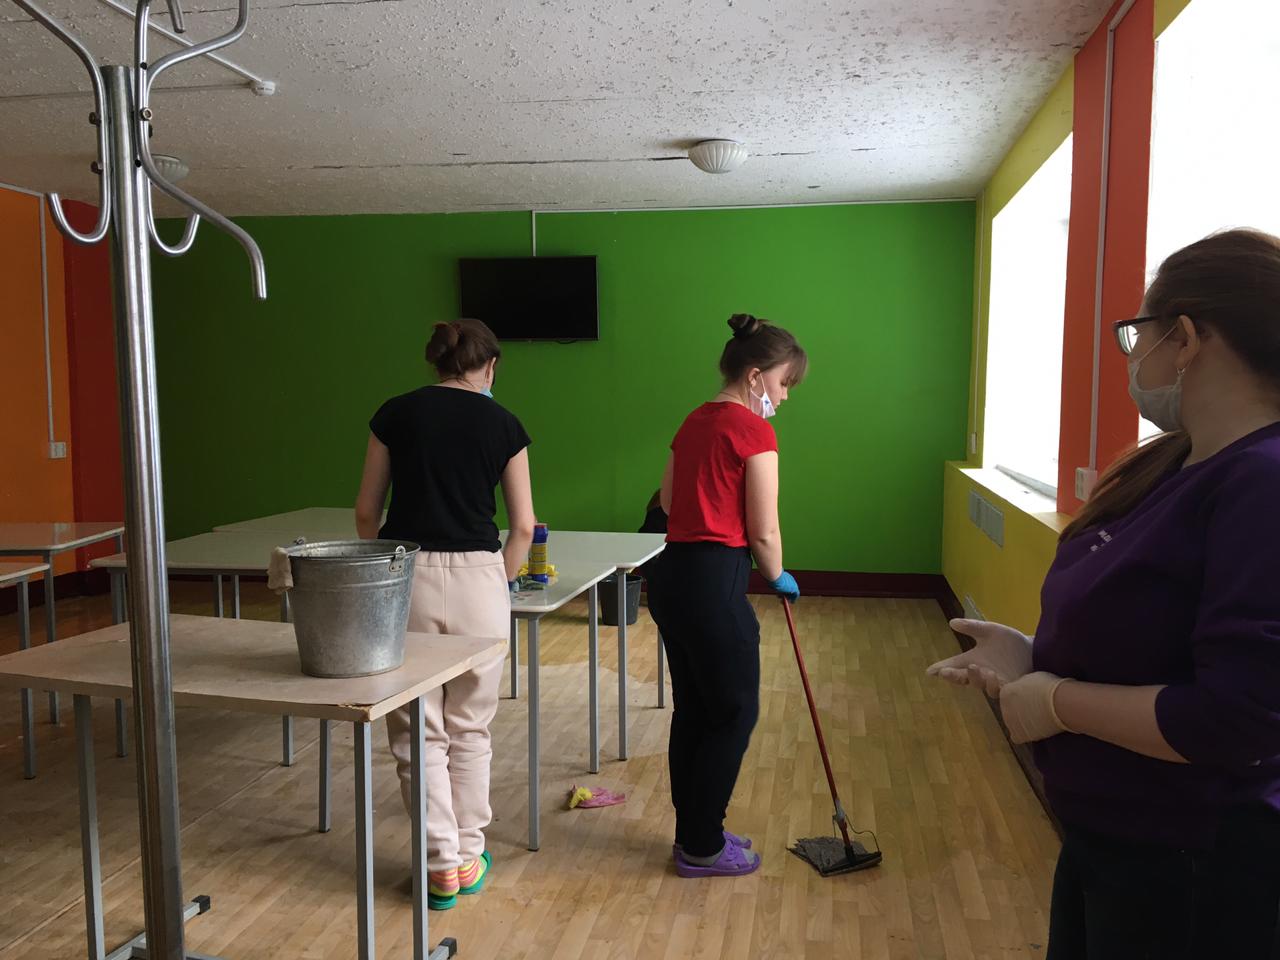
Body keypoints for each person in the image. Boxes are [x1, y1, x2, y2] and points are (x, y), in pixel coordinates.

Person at [927, 229, 1280, 958]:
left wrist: (1058, 701)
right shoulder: (1175, 465)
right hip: (1109, 838)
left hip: (1193, 863)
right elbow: (1154, 632)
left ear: (1184, 339)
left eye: (1137, 333)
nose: (1132, 353)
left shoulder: (1263, 481)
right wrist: (1033, 655)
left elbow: (1235, 719)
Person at [354, 318, 535, 911]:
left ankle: (439, 866)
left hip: (404, 574)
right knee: (470, 727)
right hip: (480, 577)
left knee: (417, 730)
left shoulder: (395, 413)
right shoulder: (504, 423)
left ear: (435, 362)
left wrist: (385, 572)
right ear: (491, 366)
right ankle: (468, 854)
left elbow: (366, 511)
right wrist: (498, 581)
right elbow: (523, 527)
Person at [647, 312, 807, 878]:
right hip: (714, 582)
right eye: (784, 383)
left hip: (671, 577)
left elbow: (668, 501)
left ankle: (693, 831)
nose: (784, 397)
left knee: (695, 709)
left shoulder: (694, 420)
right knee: (735, 712)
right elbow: (764, 530)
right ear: (756, 375)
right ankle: (702, 846)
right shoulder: (753, 431)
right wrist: (777, 573)